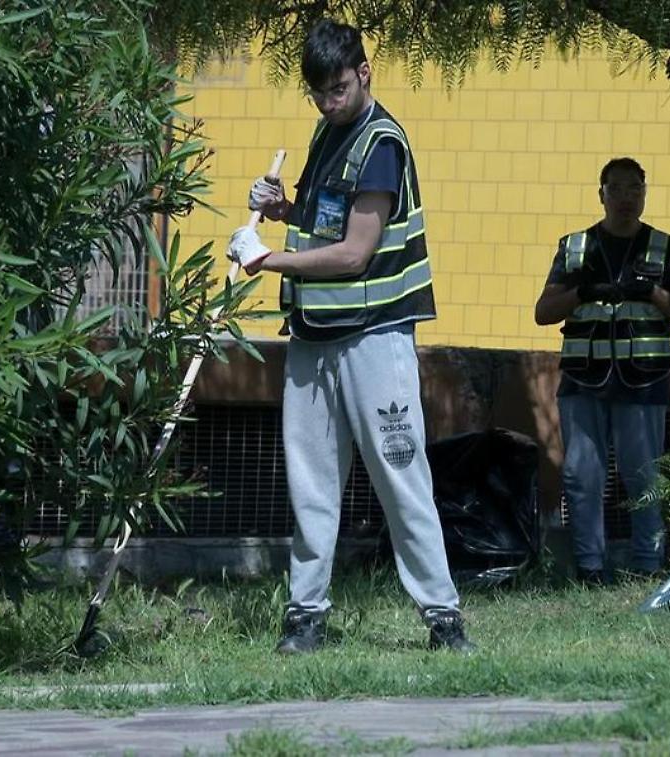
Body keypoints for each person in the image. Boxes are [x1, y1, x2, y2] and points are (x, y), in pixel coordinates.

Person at [227, 20, 474, 655]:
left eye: (338, 89)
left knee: (400, 475)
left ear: (364, 73)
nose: (328, 103)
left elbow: (354, 253)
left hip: (375, 338)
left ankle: (444, 618)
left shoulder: (382, 144)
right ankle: (304, 615)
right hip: (313, 335)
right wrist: (280, 208)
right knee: (311, 484)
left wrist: (265, 260)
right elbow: (322, 222)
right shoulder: (328, 132)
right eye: (318, 94)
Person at [534, 158, 670, 585]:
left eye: (634, 188)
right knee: (581, 476)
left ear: (645, 193)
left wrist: (653, 293)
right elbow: (543, 312)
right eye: (616, 188)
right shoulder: (574, 247)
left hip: (644, 380)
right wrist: (581, 292)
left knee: (644, 478)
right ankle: (589, 568)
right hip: (583, 379)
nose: (626, 198)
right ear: (600, 194)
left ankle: (648, 566)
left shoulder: (665, 248)